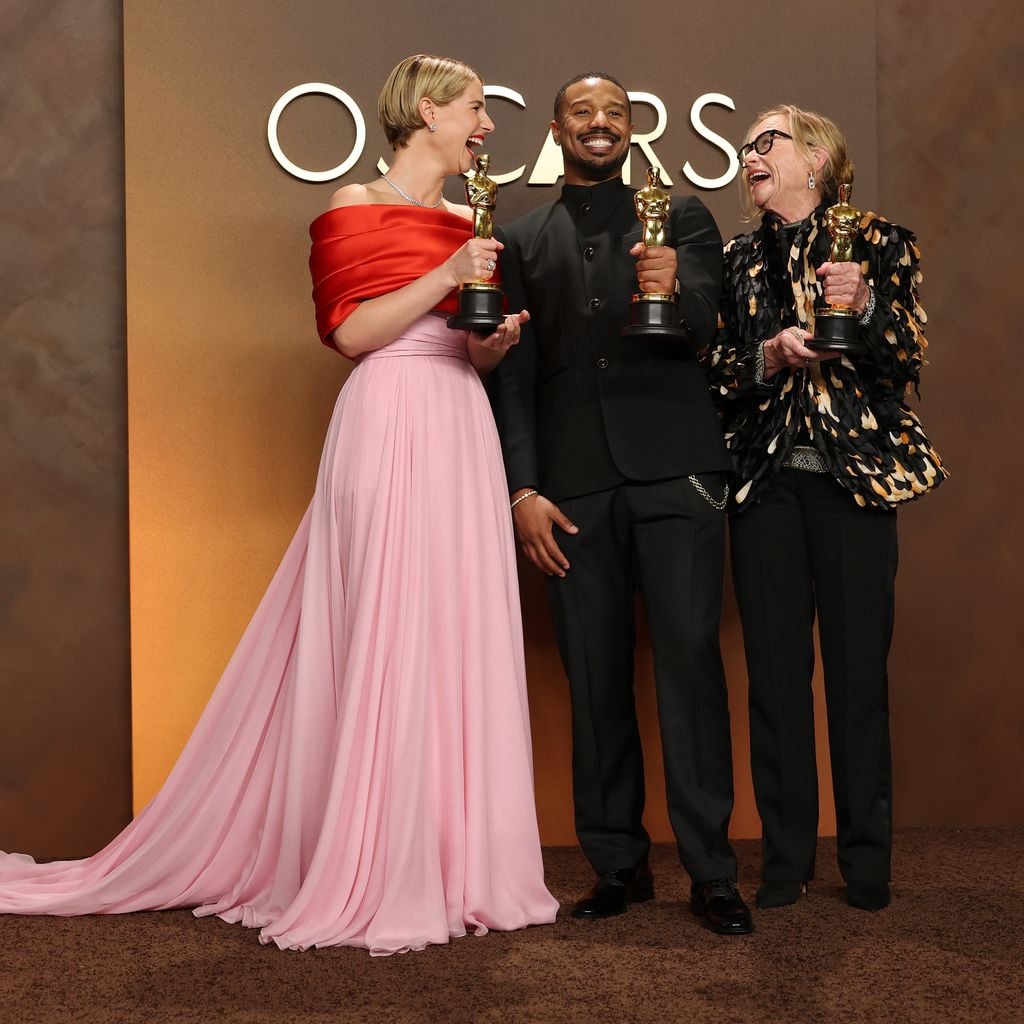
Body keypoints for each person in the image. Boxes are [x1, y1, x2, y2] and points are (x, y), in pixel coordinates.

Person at [0, 54, 557, 955]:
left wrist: (493, 345)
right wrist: (447, 271)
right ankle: (372, 858)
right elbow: (353, 333)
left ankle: (453, 861)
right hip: (386, 417)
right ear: (427, 111)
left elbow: (467, 348)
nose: (488, 125)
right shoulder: (354, 203)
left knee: (450, 621)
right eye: (476, 107)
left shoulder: (469, 217)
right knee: (384, 618)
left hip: (460, 422)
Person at [488, 72, 752, 935]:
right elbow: (513, 377)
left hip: (677, 476)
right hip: (571, 489)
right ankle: (617, 866)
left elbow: (709, 328)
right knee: (593, 676)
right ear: (557, 129)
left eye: (615, 112)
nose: (599, 123)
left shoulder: (683, 218)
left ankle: (712, 873)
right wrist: (523, 487)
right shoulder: (520, 238)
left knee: (690, 668)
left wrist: (675, 286)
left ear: (631, 129)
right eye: (583, 112)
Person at [704, 104, 946, 913]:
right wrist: (767, 357)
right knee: (775, 680)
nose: (749, 154)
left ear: (815, 158)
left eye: (765, 141)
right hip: (765, 485)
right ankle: (785, 861)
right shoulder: (737, 259)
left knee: (856, 676)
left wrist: (867, 304)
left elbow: (905, 360)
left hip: (855, 485)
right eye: (745, 146)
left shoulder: (881, 242)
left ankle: (866, 863)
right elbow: (715, 370)